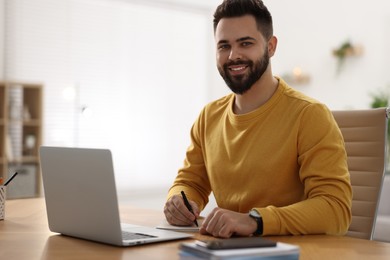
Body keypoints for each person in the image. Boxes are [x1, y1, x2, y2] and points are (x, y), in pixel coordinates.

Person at [164, 0, 352, 238]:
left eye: (245, 43)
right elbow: (190, 183)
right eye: (224, 46)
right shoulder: (208, 117)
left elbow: (335, 210)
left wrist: (255, 221)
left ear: (271, 46)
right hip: (227, 250)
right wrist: (179, 201)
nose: (233, 55)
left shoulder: (310, 115)